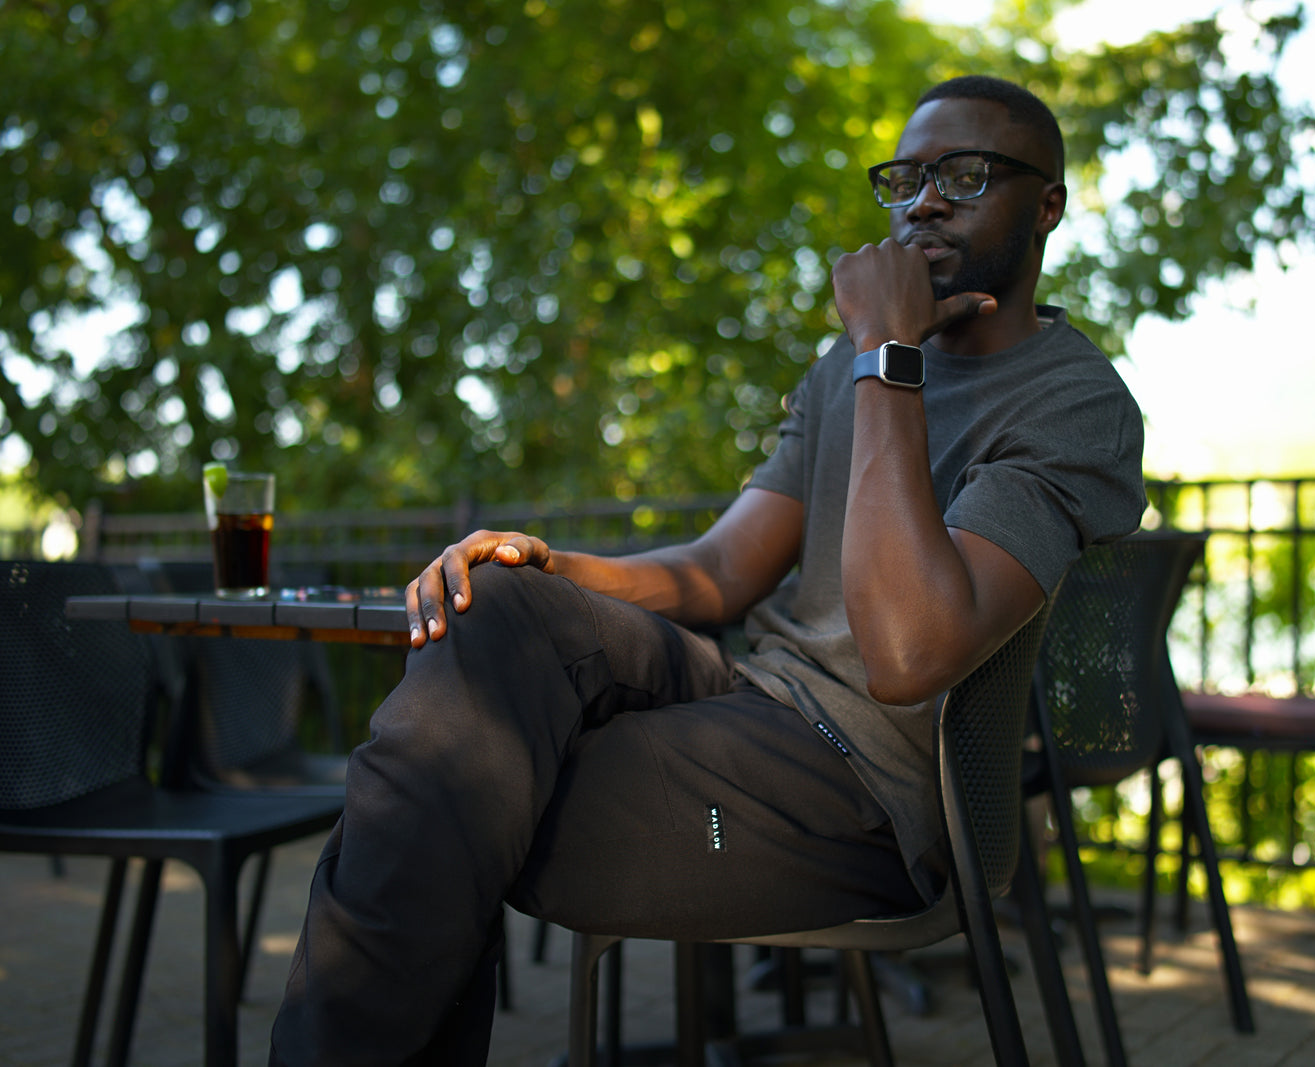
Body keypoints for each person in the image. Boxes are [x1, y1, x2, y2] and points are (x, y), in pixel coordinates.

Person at [268, 74, 1146, 1065]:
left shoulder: (1069, 401)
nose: (922, 201)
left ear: (1047, 205)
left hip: (864, 790)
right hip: (748, 695)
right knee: (494, 618)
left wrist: (887, 355)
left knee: (437, 790)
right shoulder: (839, 369)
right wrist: (552, 567)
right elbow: (722, 569)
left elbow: (907, 654)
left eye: (963, 173)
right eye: (903, 180)